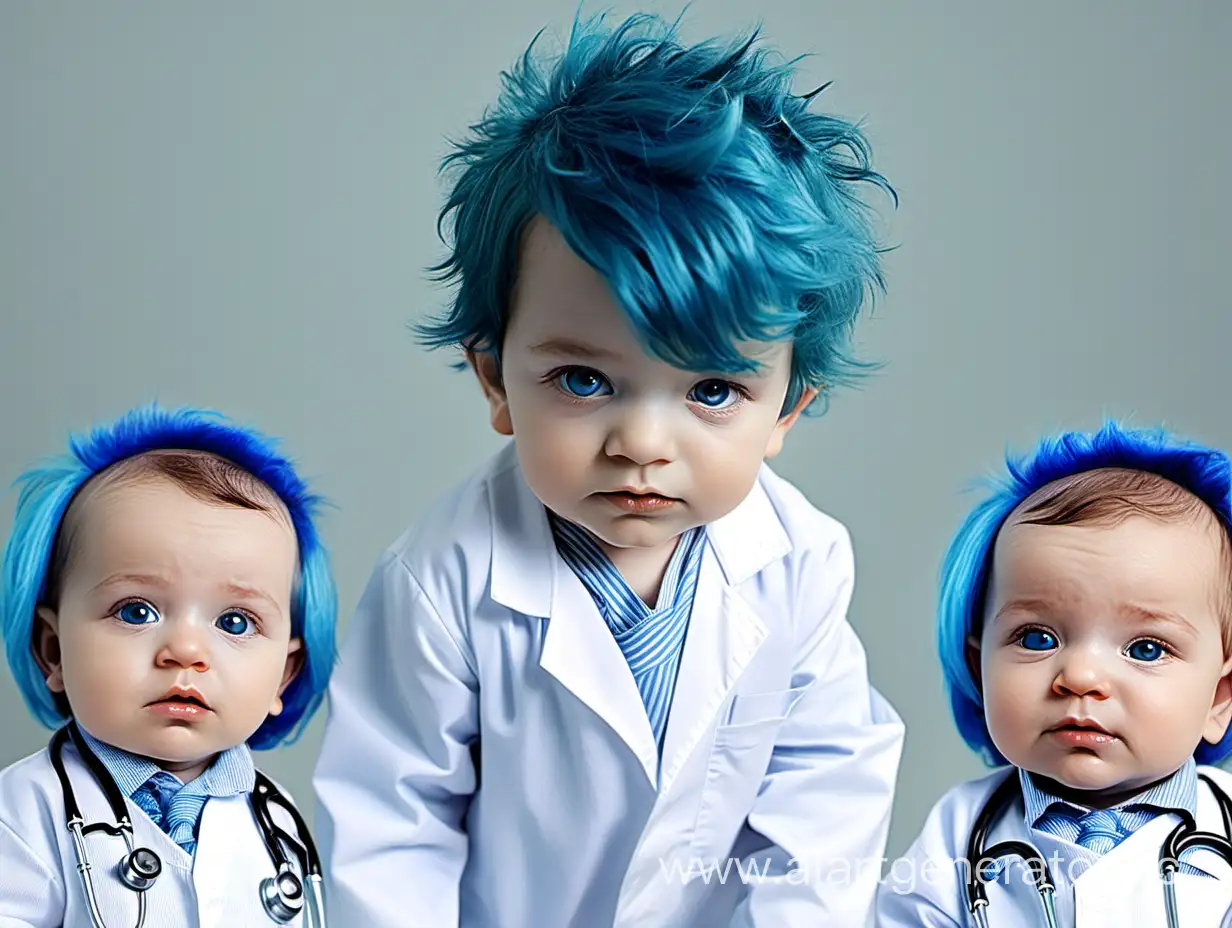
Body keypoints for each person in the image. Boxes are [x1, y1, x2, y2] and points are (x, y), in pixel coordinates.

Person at [315, 10, 903, 927]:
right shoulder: (443, 582)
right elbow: (391, 829)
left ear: (786, 410)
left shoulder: (801, 561)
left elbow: (824, 799)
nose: (642, 443)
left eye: (711, 391)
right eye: (584, 380)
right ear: (495, 380)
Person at [877, 422, 1232, 927]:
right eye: (1037, 638)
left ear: (1220, 698)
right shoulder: (956, 834)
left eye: (1147, 648)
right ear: (980, 671)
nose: (1081, 676)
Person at [0, 404, 337, 927]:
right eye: (137, 611)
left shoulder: (279, 825)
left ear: (284, 675)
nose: (185, 651)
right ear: (53, 649)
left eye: (235, 622)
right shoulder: (23, 814)